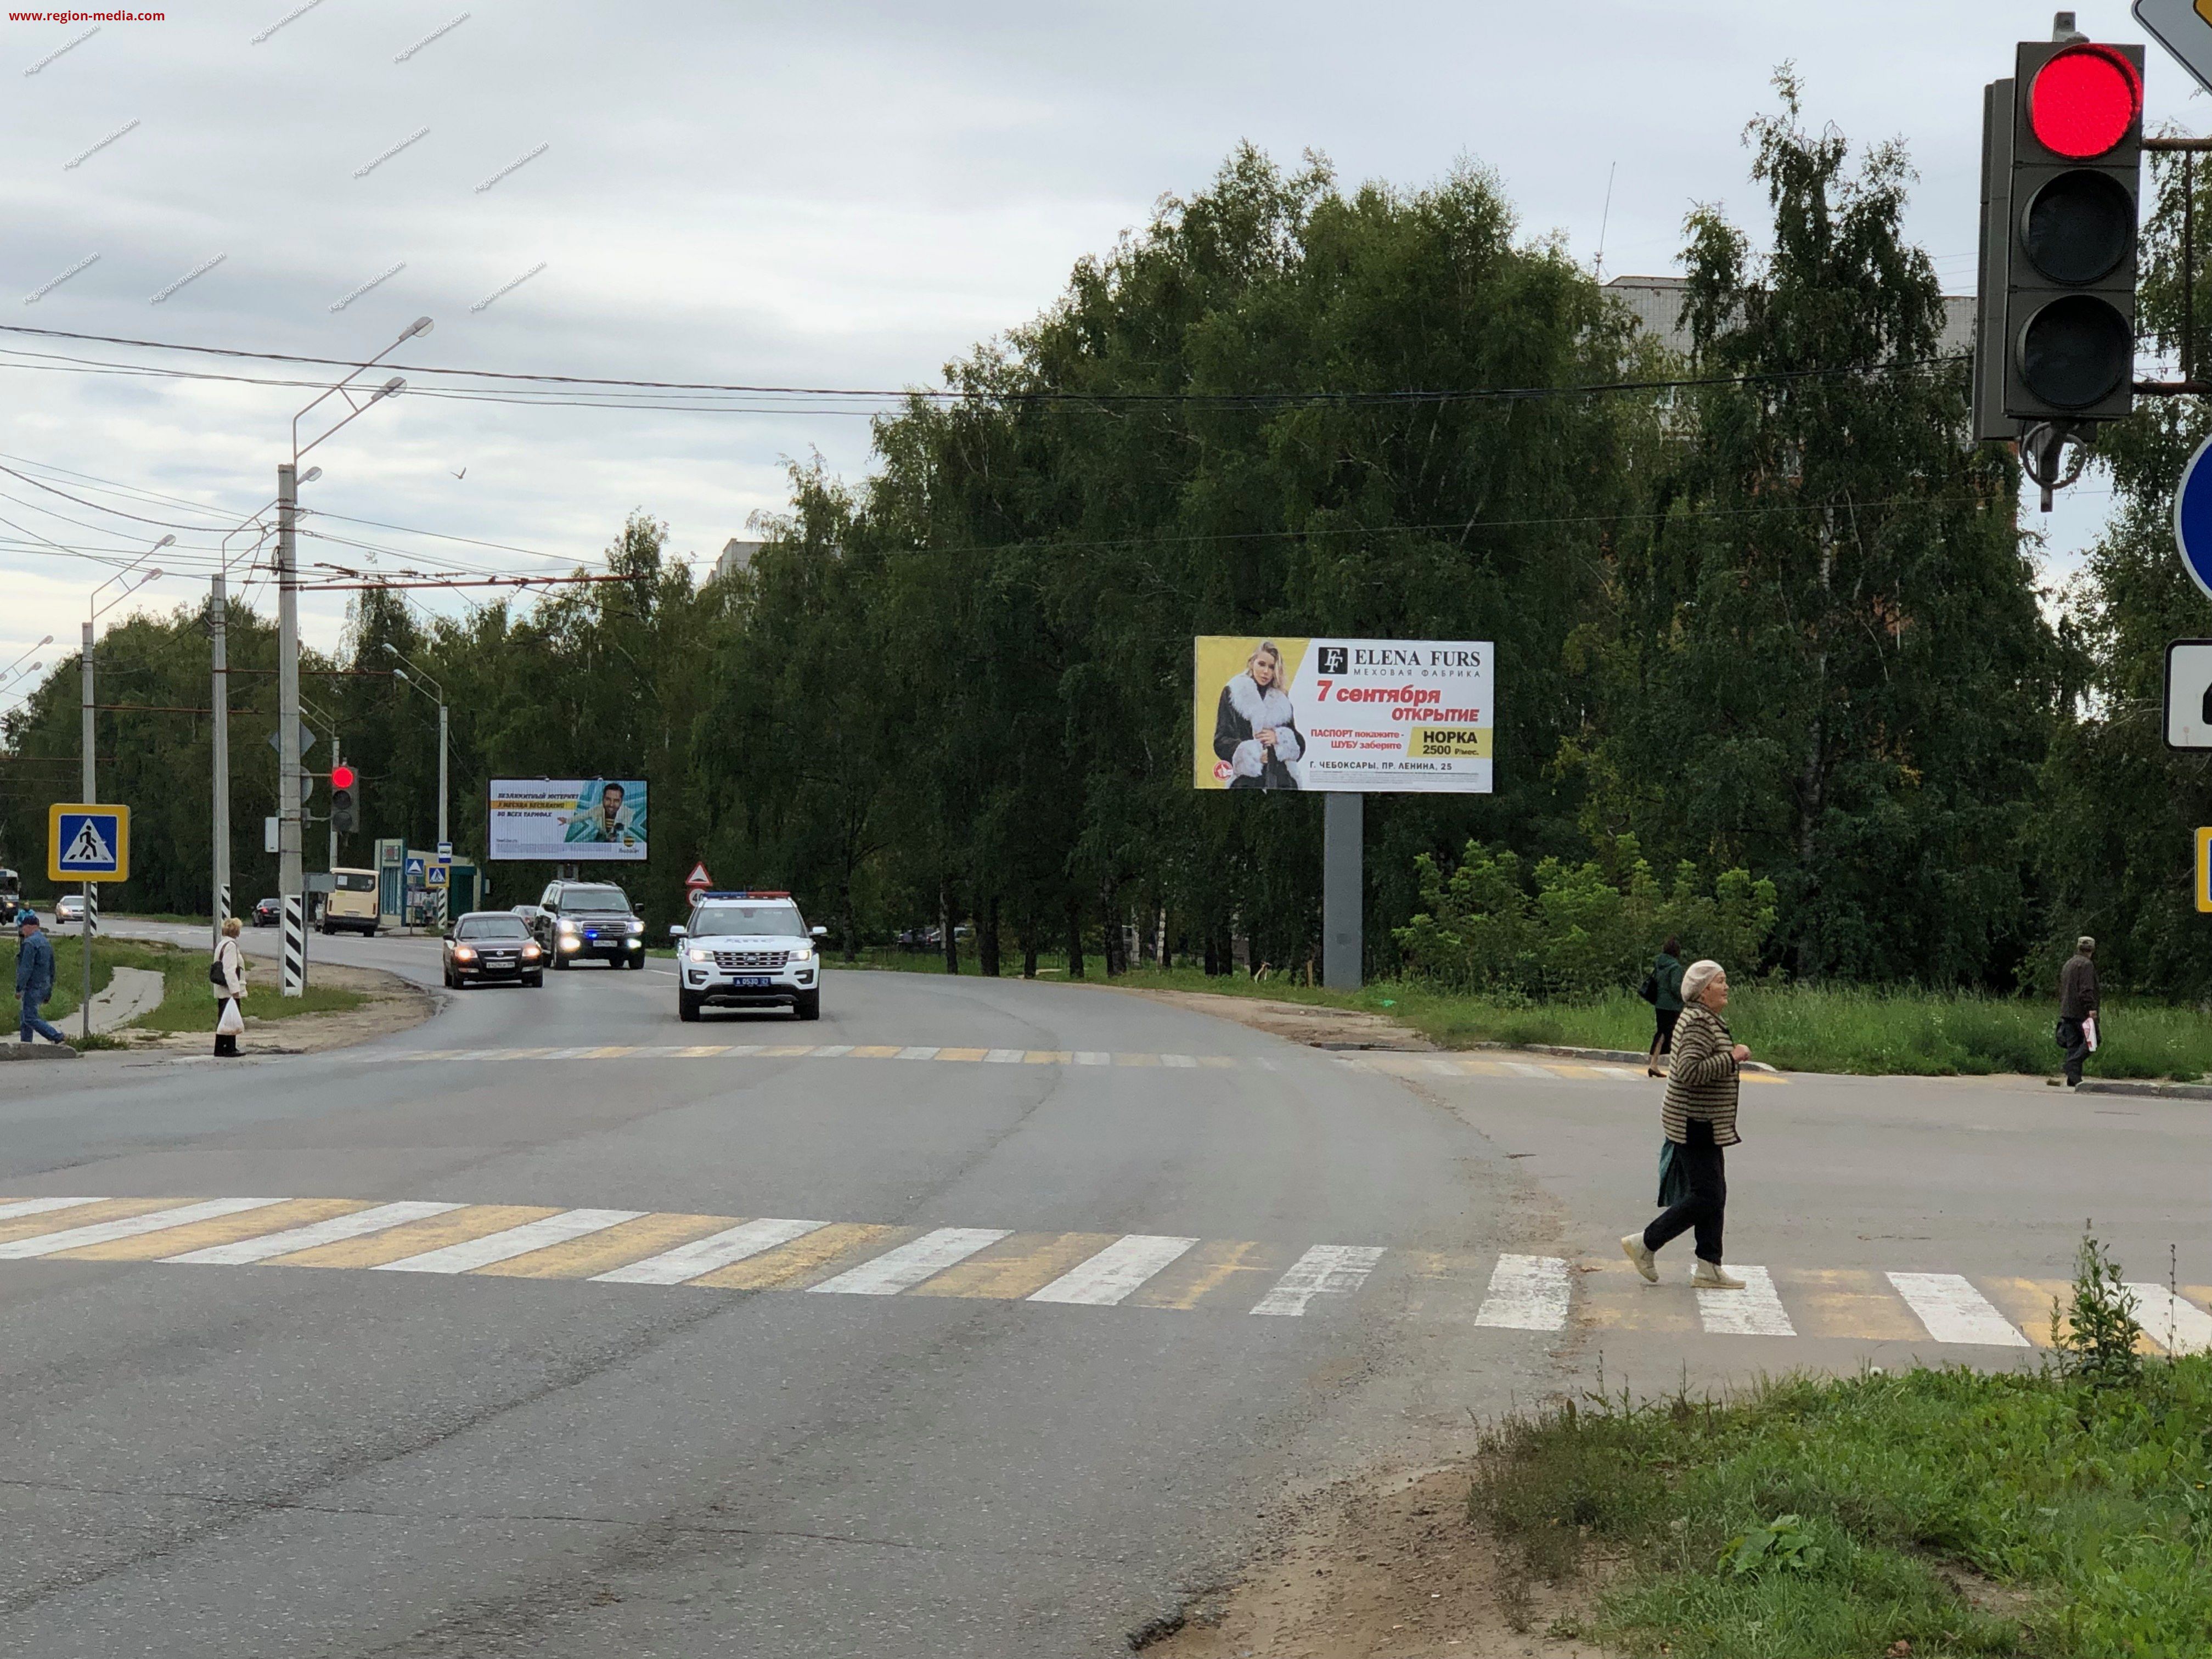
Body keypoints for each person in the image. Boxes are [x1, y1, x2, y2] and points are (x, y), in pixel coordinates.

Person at [1622, 959, 1748, 1291]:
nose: (1726, 987)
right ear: (1704, 990)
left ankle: (1709, 1266)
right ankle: (1646, 1243)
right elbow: (1689, 1072)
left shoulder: (1705, 1018)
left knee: (1714, 1193)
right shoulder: (1696, 1023)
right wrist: (1731, 1058)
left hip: (1703, 1121)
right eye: (1721, 981)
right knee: (1707, 1195)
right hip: (1693, 1121)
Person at [1212, 640, 1303, 790]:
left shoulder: (1281, 700)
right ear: (1252, 663)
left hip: (1282, 781)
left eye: (1272, 667)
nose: (1266, 672)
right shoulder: (1234, 692)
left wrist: (1280, 738)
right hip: (1246, 782)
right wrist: (1253, 755)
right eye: (1262, 664)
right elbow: (1221, 741)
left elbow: (1299, 744)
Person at [14, 910, 65, 1045]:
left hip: (32, 986)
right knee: (25, 1017)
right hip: (44, 985)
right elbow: (52, 968)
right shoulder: (45, 942)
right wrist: (49, 990)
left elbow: (26, 968)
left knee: (29, 1017)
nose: (22, 931)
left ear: (30, 927)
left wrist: (19, 988)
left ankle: (56, 1036)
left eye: (23, 928)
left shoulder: (30, 944)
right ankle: (26, 1045)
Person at [2057, 935, 2098, 1090]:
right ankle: (2072, 1064)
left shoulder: (2069, 964)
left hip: (2067, 1011)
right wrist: (2091, 1008)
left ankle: (2074, 1079)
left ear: (2078, 947)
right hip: (2082, 1013)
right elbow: (2086, 990)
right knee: (2093, 1041)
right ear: (2092, 950)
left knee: (2073, 1044)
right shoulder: (2087, 965)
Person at [1645, 935, 1686, 1078]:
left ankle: (1654, 1064)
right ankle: (1678, 1066)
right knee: (1677, 1034)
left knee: (1662, 1033)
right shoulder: (1675, 967)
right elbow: (1676, 987)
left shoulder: (1660, 965)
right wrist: (1685, 997)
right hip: (1672, 1006)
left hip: (1660, 1003)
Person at [566, 780, 644, 845]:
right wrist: (567, 821)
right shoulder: (597, 809)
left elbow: (625, 826)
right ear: (603, 799)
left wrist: (616, 834)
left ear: (621, 801)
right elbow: (583, 816)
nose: (611, 804)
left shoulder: (628, 813)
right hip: (602, 835)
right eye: (608, 799)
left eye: (616, 801)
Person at [212, 916, 247, 1058]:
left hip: (222, 989)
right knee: (231, 1019)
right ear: (236, 931)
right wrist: (235, 991)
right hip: (228, 990)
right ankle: (229, 1047)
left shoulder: (222, 944)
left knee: (224, 1018)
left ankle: (221, 1047)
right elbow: (229, 969)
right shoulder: (231, 946)